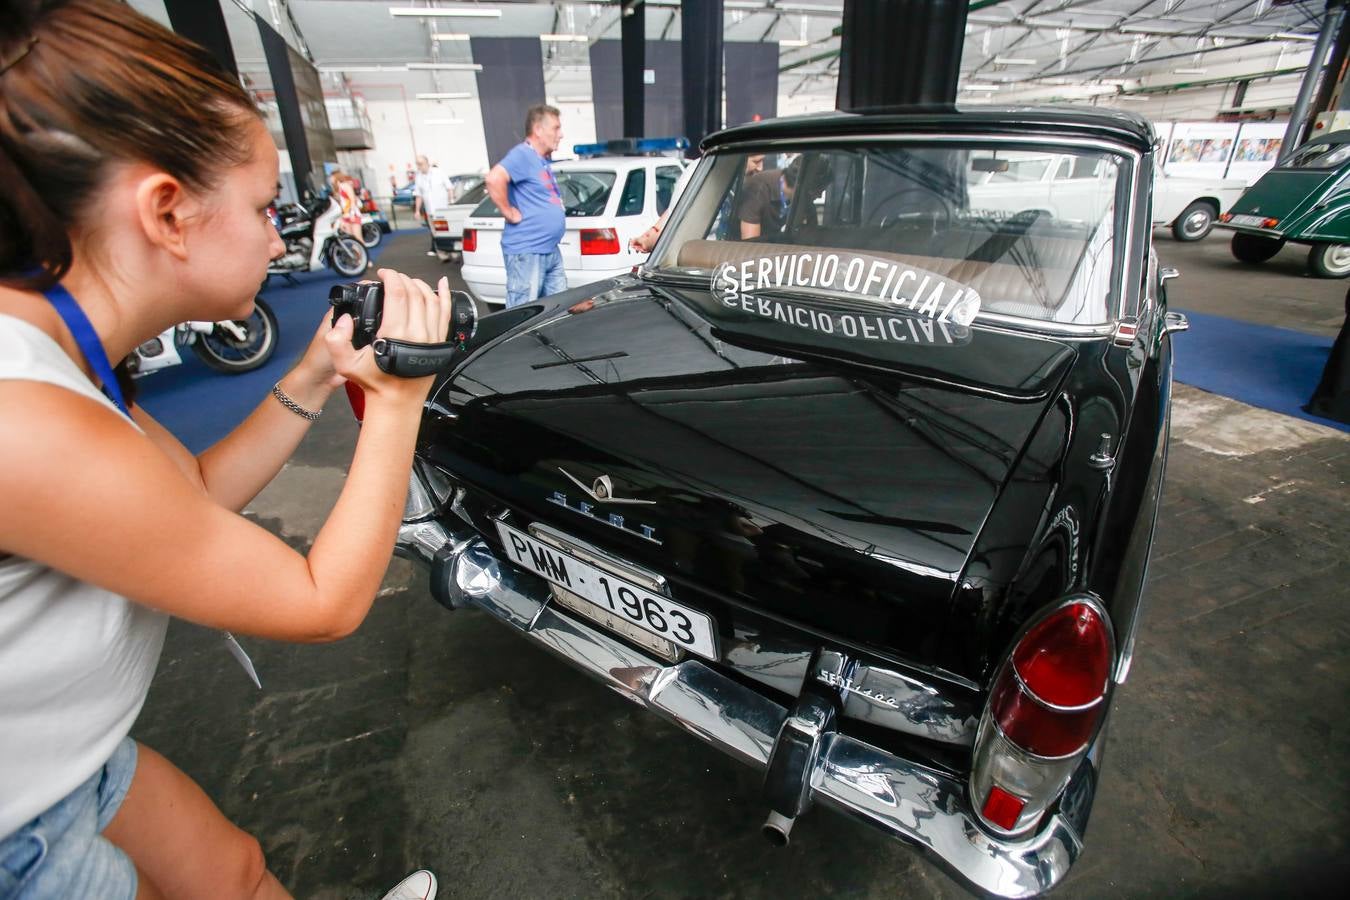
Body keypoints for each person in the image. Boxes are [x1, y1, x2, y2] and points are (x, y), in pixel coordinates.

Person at [0, 4, 441, 898]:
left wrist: (317, 373)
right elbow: (322, 603)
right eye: (260, 207)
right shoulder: (24, 419)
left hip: (53, 754)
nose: (280, 237)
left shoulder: (54, 350)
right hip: (19, 829)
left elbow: (191, 492)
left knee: (232, 873)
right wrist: (400, 401)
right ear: (167, 212)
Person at [485, 104, 567, 307]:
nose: (561, 134)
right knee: (522, 316)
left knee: (558, 310)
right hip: (528, 250)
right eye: (556, 128)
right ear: (538, 130)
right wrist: (508, 212)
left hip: (548, 248)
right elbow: (494, 178)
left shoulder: (540, 160)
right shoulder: (523, 154)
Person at [738, 155, 801, 240]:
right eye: (756, 162)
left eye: (763, 161)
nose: (760, 168)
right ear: (799, 187)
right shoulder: (758, 188)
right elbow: (750, 245)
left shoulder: (803, 200)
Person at [412, 155, 451, 260]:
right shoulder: (418, 177)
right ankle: (443, 255)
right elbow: (418, 195)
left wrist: (451, 202)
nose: (419, 166)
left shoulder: (438, 172)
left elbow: (449, 188)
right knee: (435, 233)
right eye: (417, 164)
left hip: (442, 210)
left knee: (446, 231)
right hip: (430, 211)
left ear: (427, 163)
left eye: (421, 164)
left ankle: (453, 253)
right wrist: (417, 210)